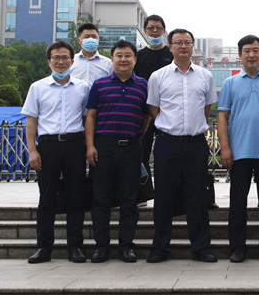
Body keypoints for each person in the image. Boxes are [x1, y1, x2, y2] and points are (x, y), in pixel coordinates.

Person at [146, 28, 218, 263]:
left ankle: (201, 248)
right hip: (167, 143)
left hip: (196, 145)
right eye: (178, 42)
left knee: (197, 197)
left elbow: (206, 108)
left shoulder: (205, 76)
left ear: (193, 46)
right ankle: (159, 248)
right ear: (170, 47)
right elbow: (154, 109)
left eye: (187, 42)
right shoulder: (158, 76)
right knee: (163, 197)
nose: (183, 46)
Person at [22, 41, 90, 264]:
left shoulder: (83, 87)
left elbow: (86, 119)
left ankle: (75, 247)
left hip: (74, 145)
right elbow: (31, 121)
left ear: (72, 61)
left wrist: (88, 146)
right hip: (48, 145)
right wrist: (32, 150)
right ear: (48, 61)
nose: (61, 62)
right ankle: (44, 248)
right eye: (56, 58)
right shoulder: (38, 87)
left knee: (76, 197)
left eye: (64, 57)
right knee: (47, 198)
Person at [218, 35, 259, 263]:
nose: (251, 55)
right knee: (237, 202)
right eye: (247, 51)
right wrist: (225, 147)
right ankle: (237, 247)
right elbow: (222, 116)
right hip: (239, 152)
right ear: (240, 55)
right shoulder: (230, 83)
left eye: (256, 51)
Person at [86, 40, 150, 263]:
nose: (123, 59)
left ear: (135, 59)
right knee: (101, 199)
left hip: (131, 149)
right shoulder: (99, 85)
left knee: (129, 201)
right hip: (104, 148)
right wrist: (90, 145)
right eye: (119, 55)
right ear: (112, 59)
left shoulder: (143, 85)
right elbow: (91, 116)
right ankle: (101, 247)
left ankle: (126, 246)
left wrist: (136, 135)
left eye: (128, 55)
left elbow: (146, 116)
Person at [133, 15, 173, 205]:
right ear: (145, 31)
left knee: (167, 154)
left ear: (164, 31)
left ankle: (168, 194)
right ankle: (143, 193)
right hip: (144, 112)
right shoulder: (138, 57)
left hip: (168, 112)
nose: (154, 31)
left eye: (158, 28)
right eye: (151, 28)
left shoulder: (171, 55)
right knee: (141, 151)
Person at [69, 23, 113, 88]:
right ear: (79, 40)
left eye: (94, 37)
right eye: (86, 37)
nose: (90, 40)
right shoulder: (71, 61)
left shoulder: (108, 63)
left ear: (98, 39)